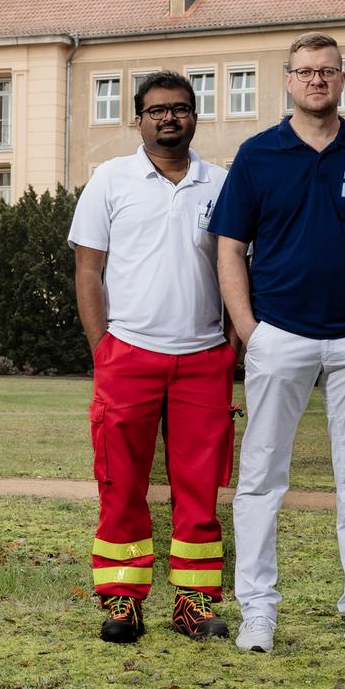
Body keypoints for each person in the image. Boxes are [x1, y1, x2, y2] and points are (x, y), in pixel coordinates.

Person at [210, 31, 345, 655]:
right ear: (288, 80)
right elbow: (229, 248)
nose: (317, 81)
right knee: (261, 478)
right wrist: (249, 330)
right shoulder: (257, 154)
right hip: (280, 336)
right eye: (305, 72)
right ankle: (257, 609)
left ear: (342, 79)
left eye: (327, 71)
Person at [70, 70, 235, 644]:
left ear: (195, 115)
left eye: (181, 108)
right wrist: (103, 351)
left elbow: (240, 270)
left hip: (202, 358)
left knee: (201, 485)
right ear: (138, 118)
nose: (170, 117)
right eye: (157, 109)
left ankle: (194, 601)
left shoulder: (222, 183)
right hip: (128, 355)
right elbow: (88, 270)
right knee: (121, 482)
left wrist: (233, 345)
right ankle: (122, 601)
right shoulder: (110, 180)